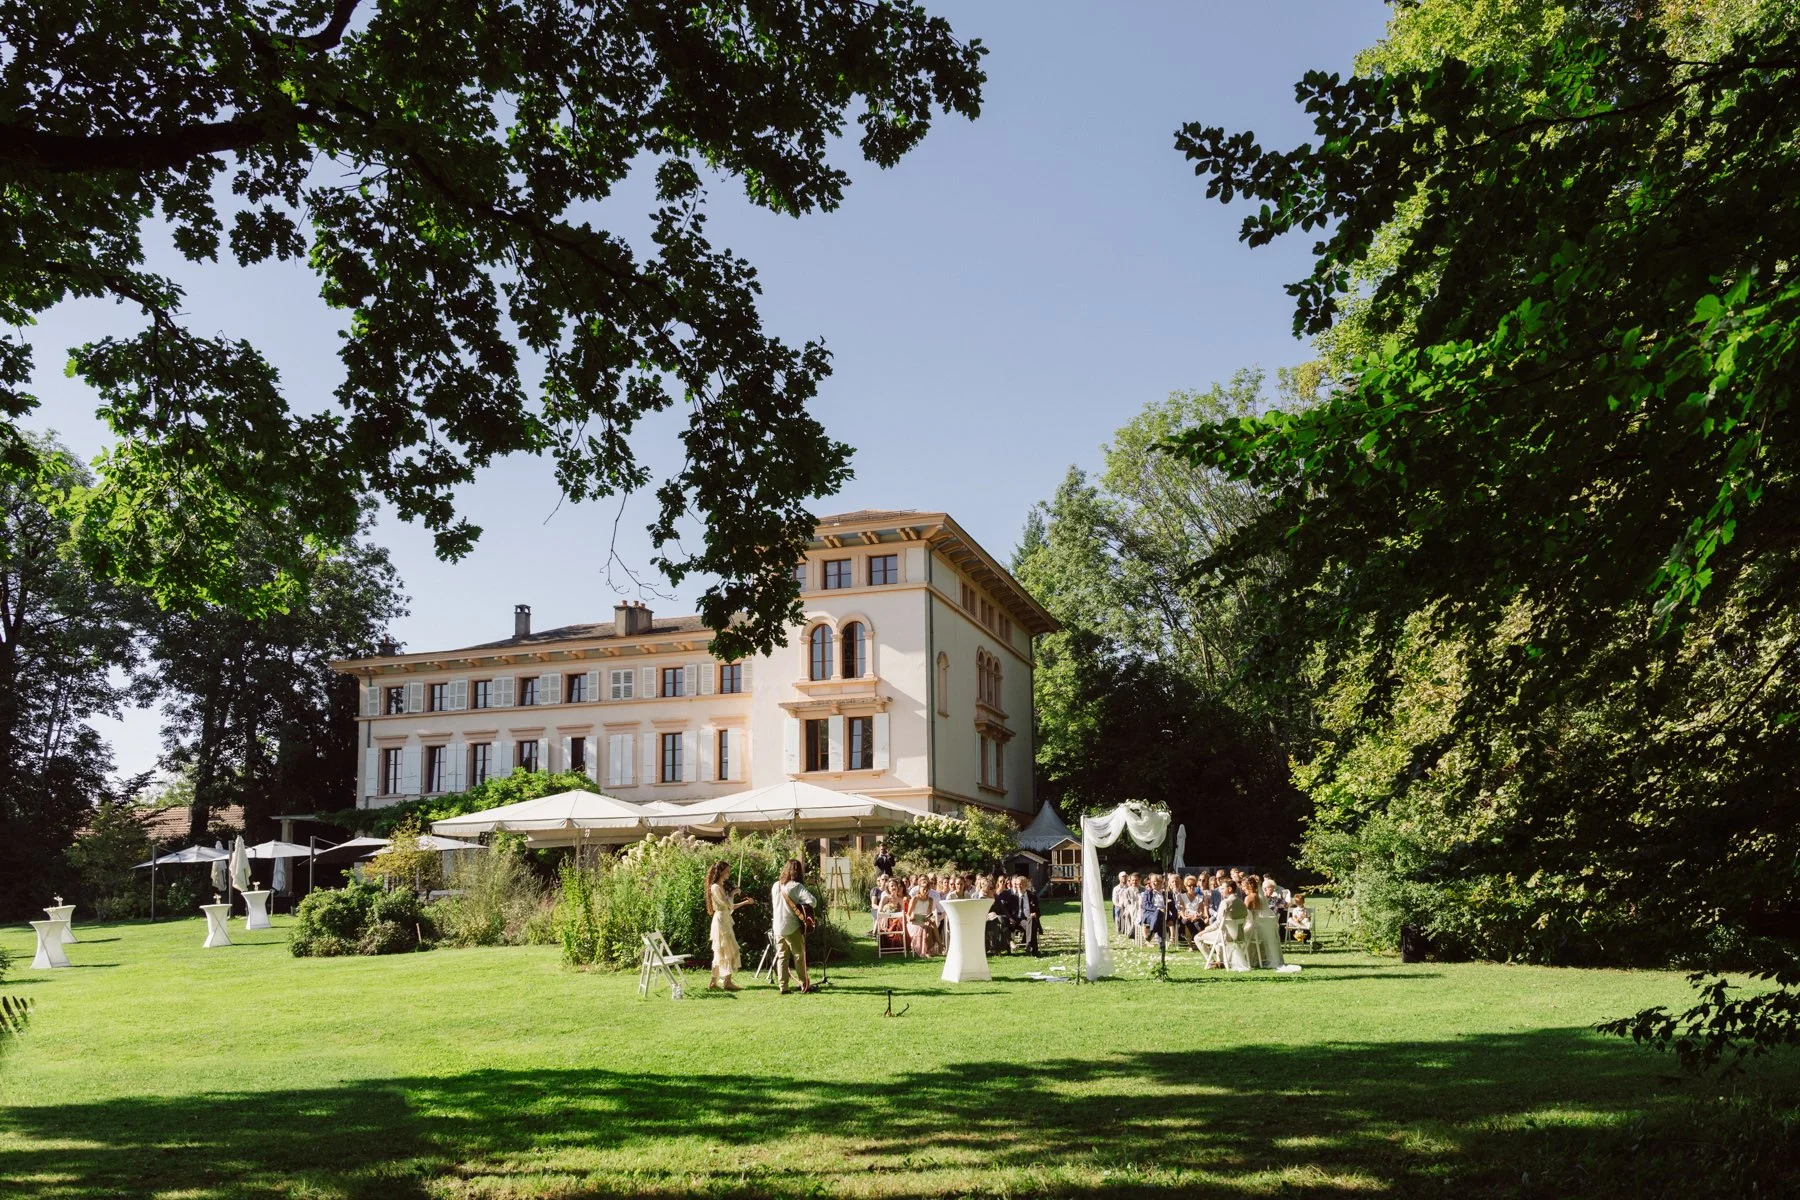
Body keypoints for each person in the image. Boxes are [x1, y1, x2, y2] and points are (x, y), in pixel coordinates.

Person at [705, 861, 754, 992]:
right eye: (727, 870)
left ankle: (719, 982)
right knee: (724, 951)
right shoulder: (715, 887)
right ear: (721, 872)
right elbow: (728, 905)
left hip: (725, 919)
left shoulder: (720, 886)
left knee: (727, 951)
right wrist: (733, 894)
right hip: (721, 922)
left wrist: (744, 902)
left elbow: (729, 908)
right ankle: (723, 982)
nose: (729, 873)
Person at [771, 858, 817, 994]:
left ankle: (783, 987)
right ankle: (804, 984)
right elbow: (812, 901)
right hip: (791, 926)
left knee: (782, 957)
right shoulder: (796, 886)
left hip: (777, 926)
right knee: (798, 956)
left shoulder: (775, 885)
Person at [1013, 874, 1041, 955]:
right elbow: (1011, 912)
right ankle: (1033, 949)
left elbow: (1038, 911)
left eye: (1021, 884)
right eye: (1017, 884)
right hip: (1018, 920)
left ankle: (1029, 945)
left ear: (1026, 885)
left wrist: (1035, 914)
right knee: (1032, 925)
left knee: (1032, 921)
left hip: (1030, 919)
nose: (1018, 886)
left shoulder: (1032, 896)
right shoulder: (1013, 897)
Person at [1111, 871, 1129, 935]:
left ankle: (1128, 929)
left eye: (1125, 876)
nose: (1124, 878)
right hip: (1119, 905)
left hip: (1128, 906)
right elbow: (1114, 900)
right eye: (1123, 876)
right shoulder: (1116, 889)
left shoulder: (1129, 887)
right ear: (1119, 878)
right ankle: (1119, 929)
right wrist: (1119, 905)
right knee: (1119, 909)